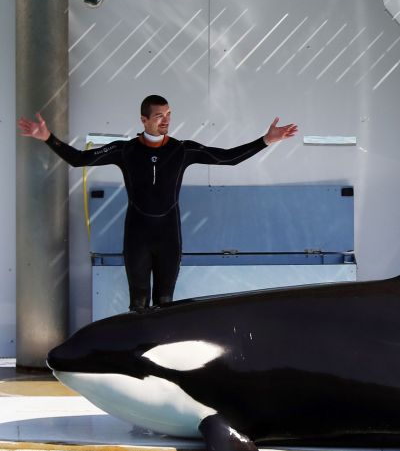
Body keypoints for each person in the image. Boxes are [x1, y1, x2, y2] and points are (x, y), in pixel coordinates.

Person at [18, 95, 298, 311]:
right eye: (159, 116)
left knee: (165, 303)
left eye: (168, 115)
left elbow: (228, 158)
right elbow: (80, 159)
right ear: (143, 119)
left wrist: (266, 140)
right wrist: (48, 138)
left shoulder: (182, 149)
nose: (165, 121)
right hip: (137, 236)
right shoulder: (124, 150)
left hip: (168, 236)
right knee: (138, 303)